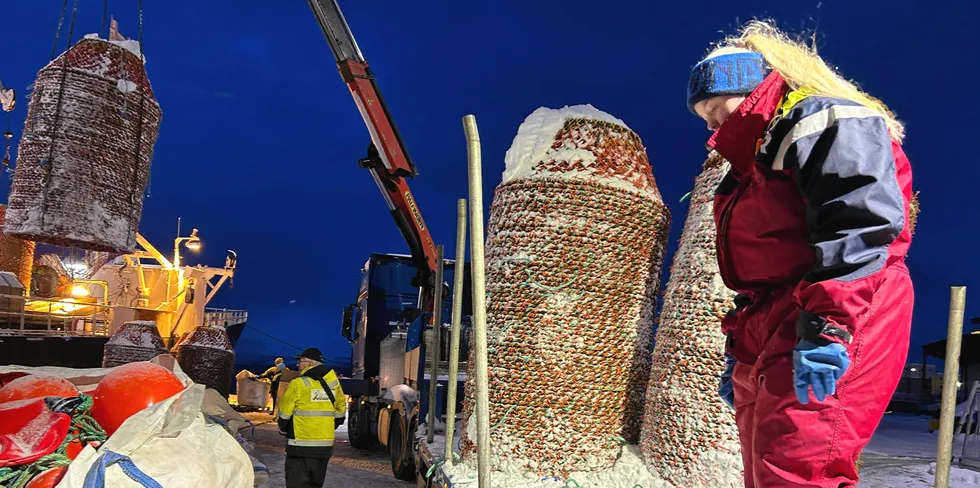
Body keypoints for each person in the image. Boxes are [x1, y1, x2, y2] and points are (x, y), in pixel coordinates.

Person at [686, 20, 914, 487]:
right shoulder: (752, 165)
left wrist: (830, 326)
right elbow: (765, 268)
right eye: (701, 114)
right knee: (762, 463)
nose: (708, 122)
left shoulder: (822, 118)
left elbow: (860, 219)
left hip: (842, 301)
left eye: (713, 105)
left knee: (799, 466)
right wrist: (744, 352)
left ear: (748, 89)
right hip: (778, 315)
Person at [277, 348, 347, 488]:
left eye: (301, 361)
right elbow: (340, 413)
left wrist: (284, 430)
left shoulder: (298, 384)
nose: (298, 365)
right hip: (323, 449)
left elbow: (284, 414)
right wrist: (324, 427)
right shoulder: (334, 383)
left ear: (309, 364)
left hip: (299, 448)